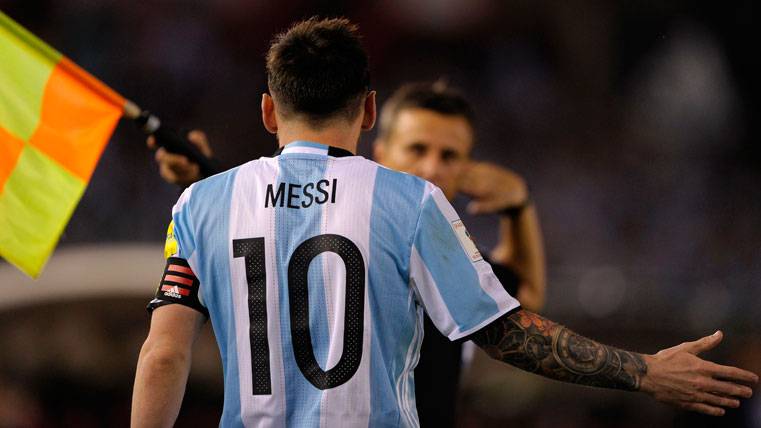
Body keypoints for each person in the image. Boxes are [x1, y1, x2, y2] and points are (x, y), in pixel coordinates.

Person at [131, 17, 757, 427]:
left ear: (269, 111)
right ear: (371, 110)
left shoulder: (201, 206)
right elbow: (506, 332)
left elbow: (163, 357)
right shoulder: (412, 202)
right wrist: (646, 371)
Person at [148, 81, 545, 427]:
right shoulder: (375, 231)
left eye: (449, 156)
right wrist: (207, 182)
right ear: (379, 152)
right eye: (417, 148)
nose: (432, 167)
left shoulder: (449, 258)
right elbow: (284, 230)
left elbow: (520, 300)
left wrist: (519, 209)